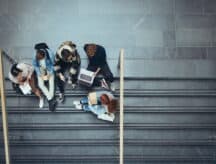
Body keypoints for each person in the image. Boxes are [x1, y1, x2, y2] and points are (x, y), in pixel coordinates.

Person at [33, 43, 56, 111]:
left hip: (49, 68)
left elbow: (53, 65)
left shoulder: (50, 54)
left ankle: (50, 101)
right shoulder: (35, 55)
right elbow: (35, 65)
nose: (40, 60)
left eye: (41, 59)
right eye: (39, 59)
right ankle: (51, 100)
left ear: (44, 55)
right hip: (41, 69)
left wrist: (50, 74)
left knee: (51, 83)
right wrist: (40, 74)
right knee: (40, 84)